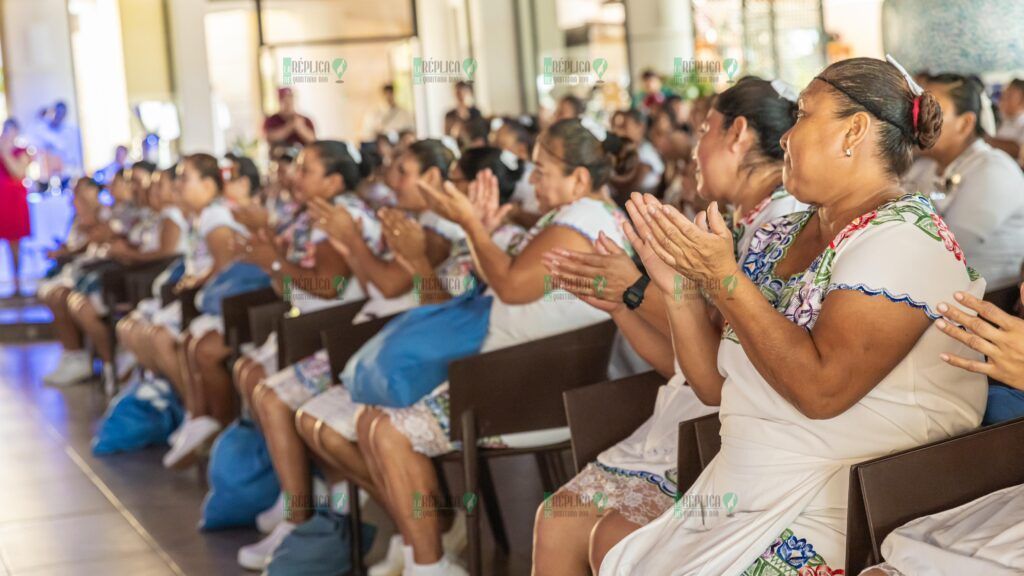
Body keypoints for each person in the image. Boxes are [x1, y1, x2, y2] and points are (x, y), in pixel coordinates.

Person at [599, 56, 987, 576]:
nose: (786, 136)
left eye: (803, 114)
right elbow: (717, 385)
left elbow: (821, 391)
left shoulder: (904, 239)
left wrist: (724, 281)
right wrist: (681, 292)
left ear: (854, 131)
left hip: (841, 505)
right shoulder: (781, 233)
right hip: (742, 488)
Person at [533, 76, 805, 574]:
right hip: (688, 408)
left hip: (722, 430)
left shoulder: (782, 225)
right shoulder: (743, 219)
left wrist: (637, 289)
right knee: (555, 517)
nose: (695, 148)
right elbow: (685, 360)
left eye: (705, 128)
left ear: (737, 133)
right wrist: (622, 303)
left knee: (608, 538)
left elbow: (722, 345)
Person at [354, 118, 634, 576]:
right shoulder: (585, 217)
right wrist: (478, 229)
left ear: (578, 179)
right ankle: (423, 550)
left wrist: (469, 223)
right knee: (370, 418)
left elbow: (509, 286)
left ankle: (430, 565)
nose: (532, 180)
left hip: (527, 391)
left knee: (386, 429)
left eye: (542, 170)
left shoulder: (579, 224)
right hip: (513, 375)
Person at [902, 73, 1024, 291]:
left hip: (989, 302)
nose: (917, 122)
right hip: (936, 290)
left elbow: (947, 249)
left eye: (932, 112)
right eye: (918, 111)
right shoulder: (927, 167)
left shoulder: (993, 170)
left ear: (965, 123)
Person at [0, 119, 32, 297]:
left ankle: (17, 282)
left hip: (14, 202)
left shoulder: (21, 152)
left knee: (15, 244)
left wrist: (5, 153)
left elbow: (18, 173)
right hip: (0, 201)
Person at [32, 101, 83, 189]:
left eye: (62, 113)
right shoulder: (42, 129)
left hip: (67, 174)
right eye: (57, 112)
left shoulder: (71, 130)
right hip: (47, 176)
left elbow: (72, 151)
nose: (59, 115)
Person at [264, 88, 317, 155]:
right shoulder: (271, 120)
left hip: (303, 157)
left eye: (290, 100)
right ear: (279, 102)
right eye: (284, 101)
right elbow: (270, 138)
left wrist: (301, 129)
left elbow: (314, 141)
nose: (288, 104)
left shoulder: (306, 120)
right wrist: (290, 126)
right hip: (280, 160)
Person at [989, 78, 1024, 161]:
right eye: (1003, 94)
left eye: (1009, 96)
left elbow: (1017, 150)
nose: (1002, 99)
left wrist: (986, 140)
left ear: (1022, 101)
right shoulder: (1000, 119)